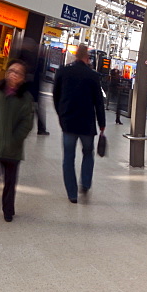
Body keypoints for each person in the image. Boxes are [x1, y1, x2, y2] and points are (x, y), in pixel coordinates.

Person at [0, 60, 34, 222]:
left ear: (23, 78)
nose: (12, 74)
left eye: (17, 73)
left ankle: (8, 210)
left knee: (10, 181)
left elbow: (27, 123)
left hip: (12, 149)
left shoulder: (25, 98)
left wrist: (15, 139)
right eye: (11, 71)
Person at [52, 45, 106, 204]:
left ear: (76, 55)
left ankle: (72, 193)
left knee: (68, 157)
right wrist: (101, 123)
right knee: (88, 153)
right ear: (87, 57)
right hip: (87, 124)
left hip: (68, 122)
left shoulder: (63, 71)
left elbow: (56, 95)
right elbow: (99, 103)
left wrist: (61, 114)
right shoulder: (93, 76)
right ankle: (86, 182)